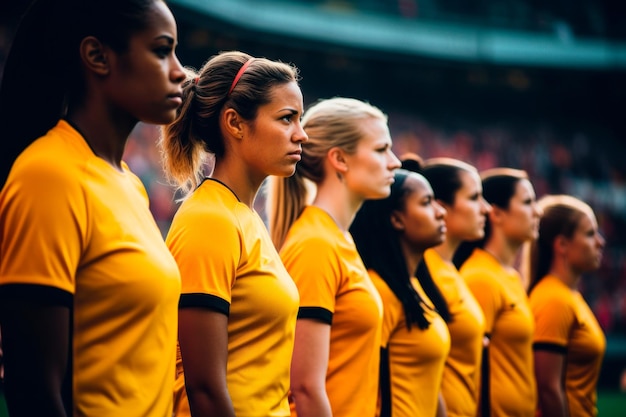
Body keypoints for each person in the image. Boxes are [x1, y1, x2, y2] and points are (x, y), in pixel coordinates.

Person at [0, 0, 185, 416]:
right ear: (98, 56)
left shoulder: (130, 185)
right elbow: (34, 389)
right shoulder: (49, 175)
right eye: (161, 50)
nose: (179, 71)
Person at [159, 50, 307, 417]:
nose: (301, 135)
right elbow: (204, 389)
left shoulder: (243, 218)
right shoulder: (210, 220)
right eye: (287, 118)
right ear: (235, 123)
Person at [266, 97, 401, 417]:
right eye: (382, 149)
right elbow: (305, 388)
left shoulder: (339, 238)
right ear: (339, 159)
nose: (395, 162)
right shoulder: (316, 244)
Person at [350, 163, 451, 417]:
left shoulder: (413, 285)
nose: (441, 212)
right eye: (427, 203)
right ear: (396, 218)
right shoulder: (380, 291)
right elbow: (368, 389)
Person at [454, 168, 542, 417]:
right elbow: (473, 369)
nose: (538, 211)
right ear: (497, 213)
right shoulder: (480, 278)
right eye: (527, 202)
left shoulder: (510, 277)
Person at [418, 156, 490, 417]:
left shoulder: (450, 270)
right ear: (441, 206)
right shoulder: (424, 273)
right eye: (474, 198)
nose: (486, 209)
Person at [526, 195, 606, 417]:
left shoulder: (567, 295)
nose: (600, 242)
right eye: (590, 234)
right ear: (561, 244)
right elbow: (549, 390)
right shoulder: (554, 299)